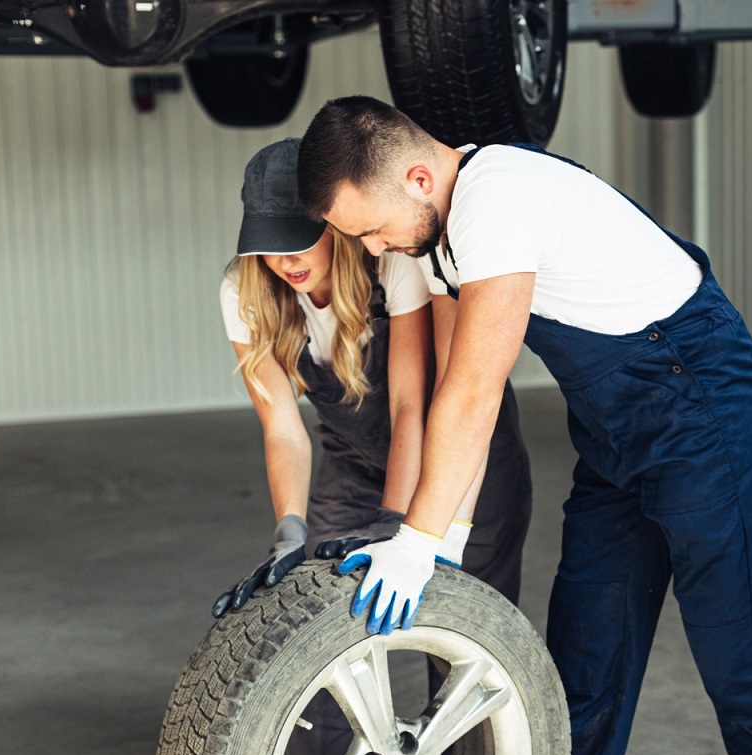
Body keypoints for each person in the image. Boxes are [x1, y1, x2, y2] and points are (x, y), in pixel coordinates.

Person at [295, 97, 752, 755]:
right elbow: (454, 392)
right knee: (584, 656)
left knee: (741, 648)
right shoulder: (435, 237)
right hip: (615, 435)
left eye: (372, 230)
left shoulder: (498, 199)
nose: (373, 249)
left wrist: (416, 541)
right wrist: (440, 536)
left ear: (418, 179)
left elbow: (477, 391)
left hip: (700, 406)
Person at [211, 137, 532, 621]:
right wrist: (289, 530)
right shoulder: (244, 291)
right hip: (353, 465)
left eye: (299, 241)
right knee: (307, 614)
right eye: (270, 246)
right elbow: (281, 428)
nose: (286, 262)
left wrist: (396, 523)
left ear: (334, 223)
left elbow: (409, 405)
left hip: (457, 462)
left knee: (451, 627)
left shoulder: (391, 266)